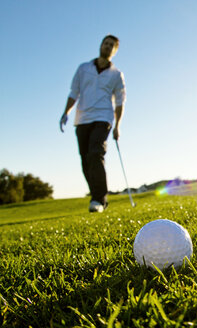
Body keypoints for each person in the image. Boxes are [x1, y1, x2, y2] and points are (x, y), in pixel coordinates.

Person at [59, 35, 126, 213]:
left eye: (112, 45)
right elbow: (74, 92)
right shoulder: (83, 68)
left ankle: (99, 199)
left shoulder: (116, 75)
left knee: (96, 153)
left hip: (103, 118)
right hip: (82, 119)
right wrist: (66, 112)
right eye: (106, 43)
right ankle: (95, 195)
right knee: (86, 159)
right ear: (101, 45)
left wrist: (117, 126)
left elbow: (120, 102)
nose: (108, 47)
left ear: (115, 50)